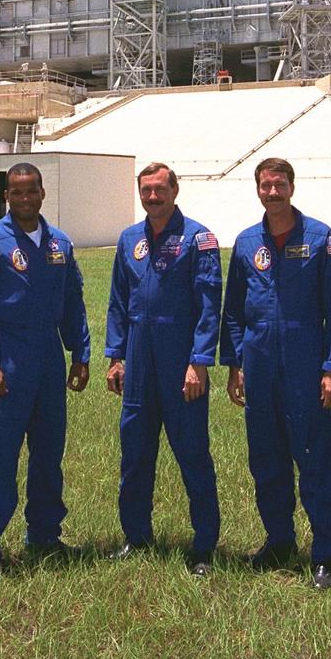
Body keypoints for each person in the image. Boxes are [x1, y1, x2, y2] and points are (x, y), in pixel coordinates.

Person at [221, 157, 331, 589]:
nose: (272, 192)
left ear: (292, 187)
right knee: (267, 460)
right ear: (257, 189)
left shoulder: (319, 238)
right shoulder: (244, 242)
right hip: (258, 369)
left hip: (304, 367)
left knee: (314, 460)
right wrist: (235, 364)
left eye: (279, 185)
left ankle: (326, 554)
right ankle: (279, 540)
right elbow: (233, 312)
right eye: (265, 186)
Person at [0, 163, 91, 574]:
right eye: (17, 193)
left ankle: (45, 535)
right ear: (7, 197)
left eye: (31, 191)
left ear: (42, 193)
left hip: (48, 357)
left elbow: (72, 302)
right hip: (8, 356)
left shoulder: (60, 244)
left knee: (49, 452)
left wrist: (80, 353)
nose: (25, 199)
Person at [105, 164, 222, 575]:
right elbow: (119, 301)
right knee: (135, 453)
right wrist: (116, 356)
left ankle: (204, 546)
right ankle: (136, 537)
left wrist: (199, 362)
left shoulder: (199, 238)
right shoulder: (129, 239)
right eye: (146, 191)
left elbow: (209, 307)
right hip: (138, 359)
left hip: (181, 361)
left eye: (159, 190)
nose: (152, 197)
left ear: (175, 189)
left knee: (192, 454)